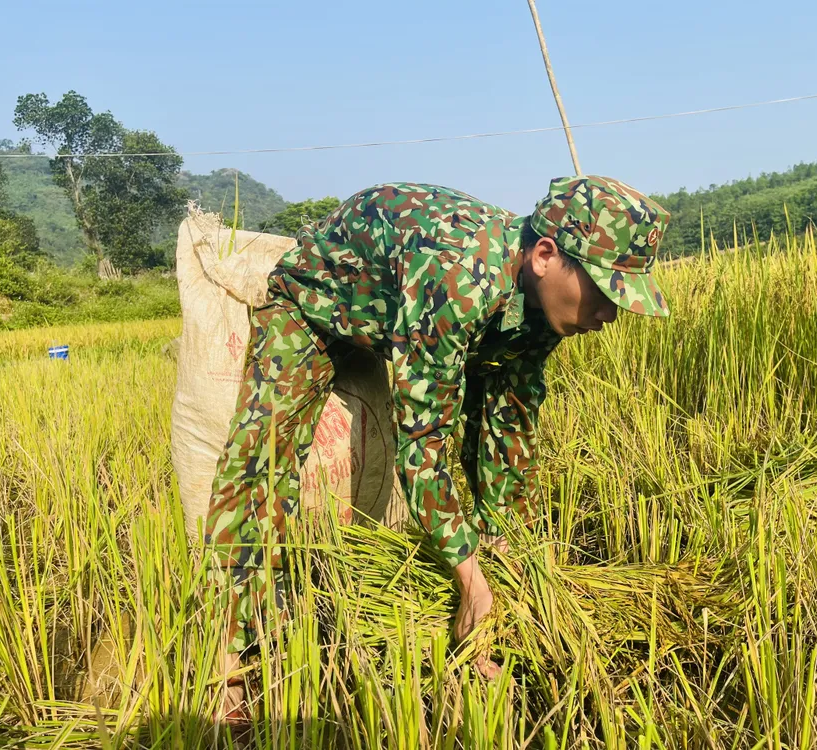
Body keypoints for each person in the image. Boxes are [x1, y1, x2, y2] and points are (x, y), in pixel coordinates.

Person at [205, 175, 671, 718]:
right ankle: (231, 664)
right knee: (259, 463)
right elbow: (421, 439)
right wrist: (469, 579)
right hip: (313, 305)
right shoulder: (458, 279)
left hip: (399, 313)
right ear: (545, 255)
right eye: (604, 291)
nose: (610, 314)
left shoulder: (545, 309)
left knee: (498, 454)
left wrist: (510, 549)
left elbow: (509, 424)